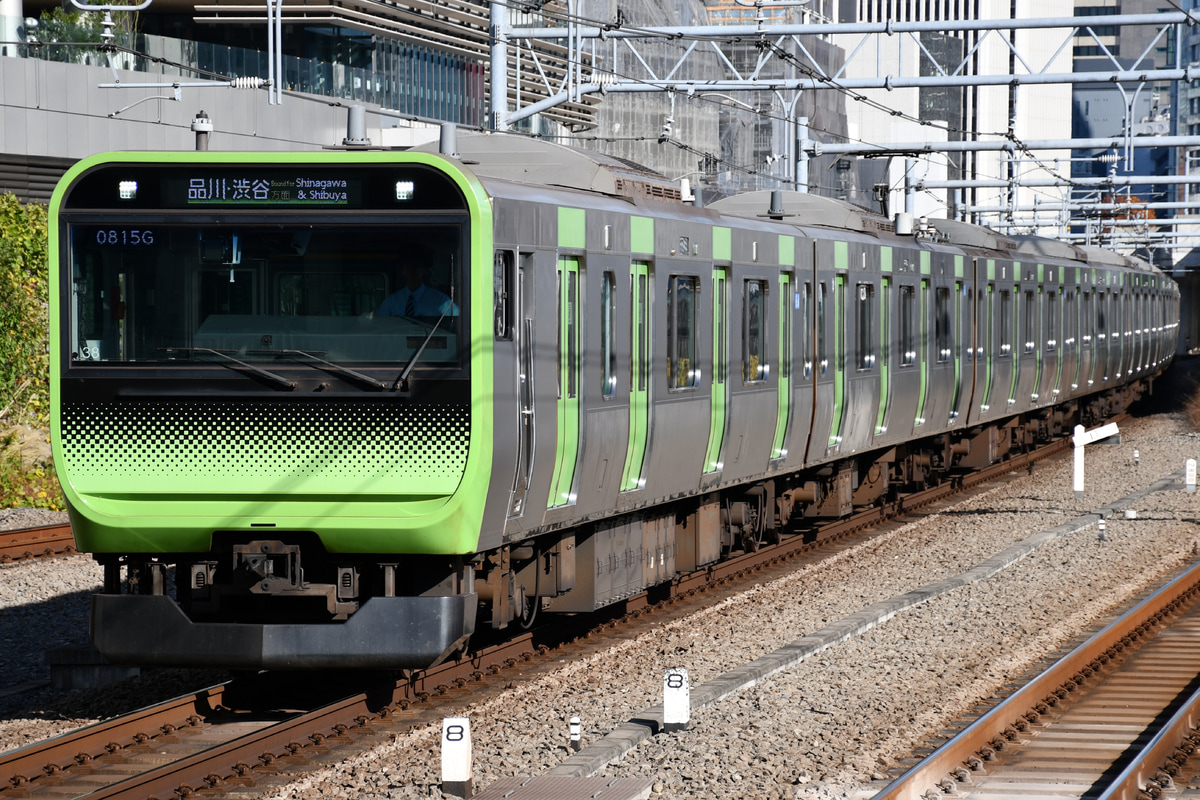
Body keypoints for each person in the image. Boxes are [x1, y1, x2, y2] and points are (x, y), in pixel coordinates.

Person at [377, 258, 458, 319]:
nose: (411, 269)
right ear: (402, 269)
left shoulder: (442, 301)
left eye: (416, 266)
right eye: (407, 265)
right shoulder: (391, 302)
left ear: (425, 270)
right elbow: (378, 328)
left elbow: (460, 322)